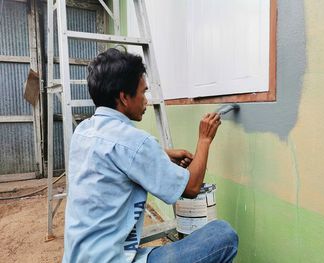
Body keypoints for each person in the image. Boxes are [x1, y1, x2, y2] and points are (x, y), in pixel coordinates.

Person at [63, 47, 238, 263]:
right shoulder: (136, 142)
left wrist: (163, 155)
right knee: (224, 235)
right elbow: (191, 188)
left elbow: (115, 154)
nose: (146, 100)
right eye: (143, 92)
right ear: (124, 97)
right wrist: (204, 140)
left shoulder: (84, 131)